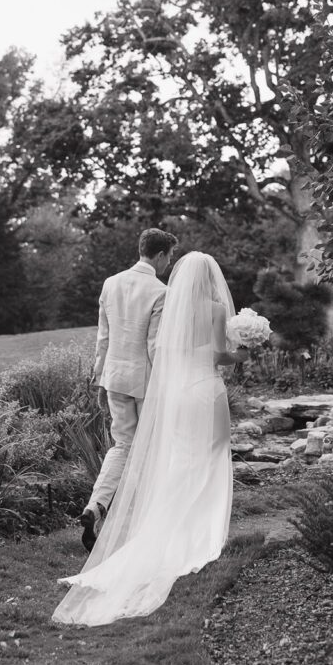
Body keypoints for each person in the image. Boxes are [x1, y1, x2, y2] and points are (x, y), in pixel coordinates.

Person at [52, 251, 249, 627]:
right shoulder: (214, 309)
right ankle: (202, 535)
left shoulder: (171, 308)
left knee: (180, 460)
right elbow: (217, 356)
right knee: (212, 457)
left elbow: (160, 351)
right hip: (207, 391)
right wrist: (242, 354)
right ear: (210, 278)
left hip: (176, 394)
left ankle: (163, 528)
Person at [79, 227, 178, 552]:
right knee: (150, 451)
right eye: (169, 256)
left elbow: (102, 338)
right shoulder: (159, 290)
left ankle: (97, 505)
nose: (169, 263)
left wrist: (99, 378)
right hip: (146, 383)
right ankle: (138, 526)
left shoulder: (111, 283)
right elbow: (154, 346)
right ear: (161, 254)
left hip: (115, 378)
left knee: (122, 445)